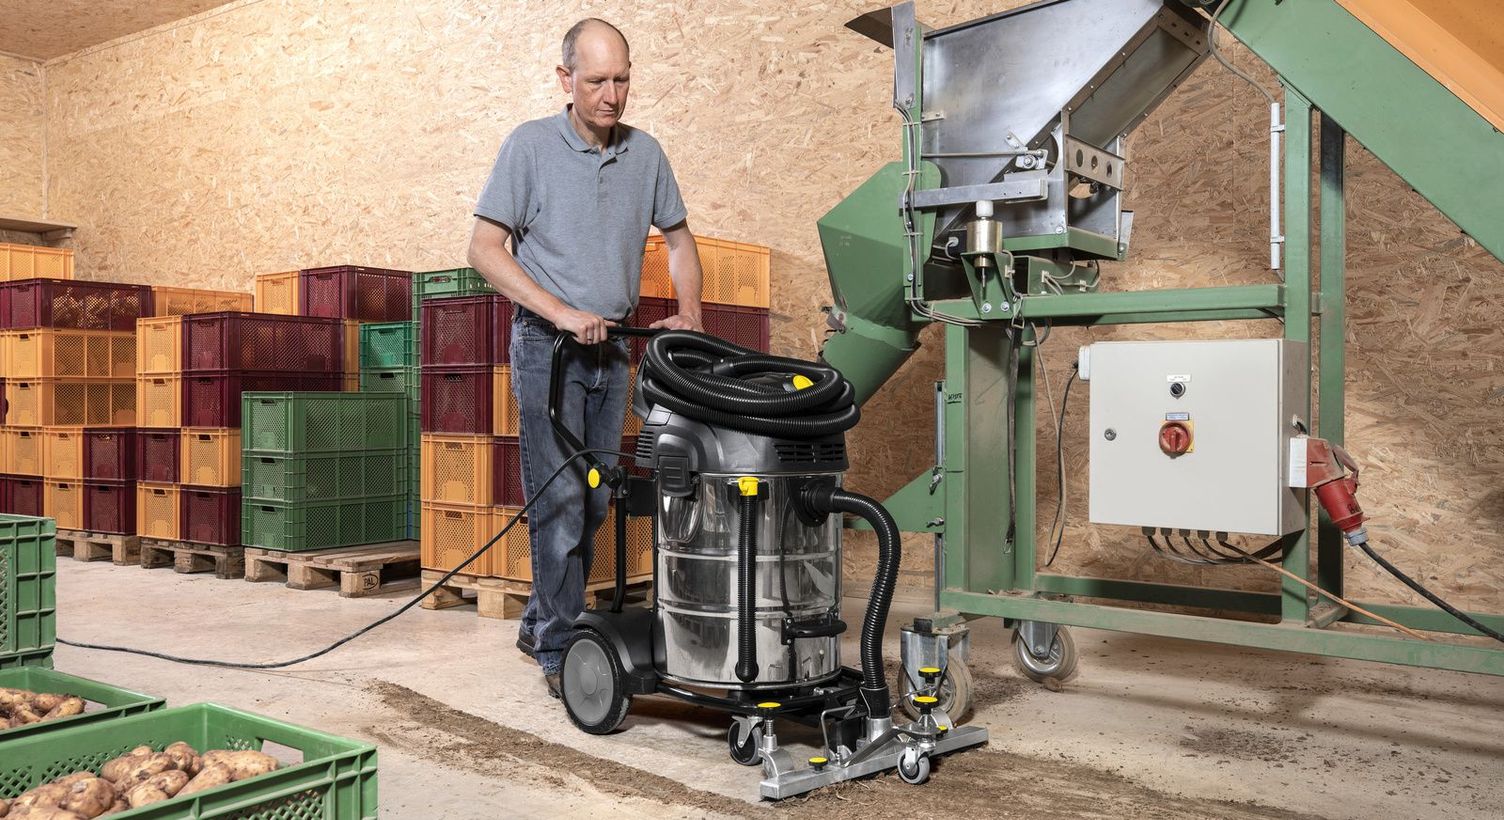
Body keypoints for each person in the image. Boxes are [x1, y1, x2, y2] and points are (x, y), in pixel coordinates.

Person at [466, 17, 704, 697]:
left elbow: (680, 241)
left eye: (622, 80)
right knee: (562, 497)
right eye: (597, 80)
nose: (612, 95)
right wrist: (561, 313)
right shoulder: (530, 147)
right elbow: (483, 250)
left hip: (613, 349)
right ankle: (559, 650)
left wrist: (689, 309)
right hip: (549, 350)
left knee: (597, 496)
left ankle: (539, 621)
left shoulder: (645, 154)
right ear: (565, 79)